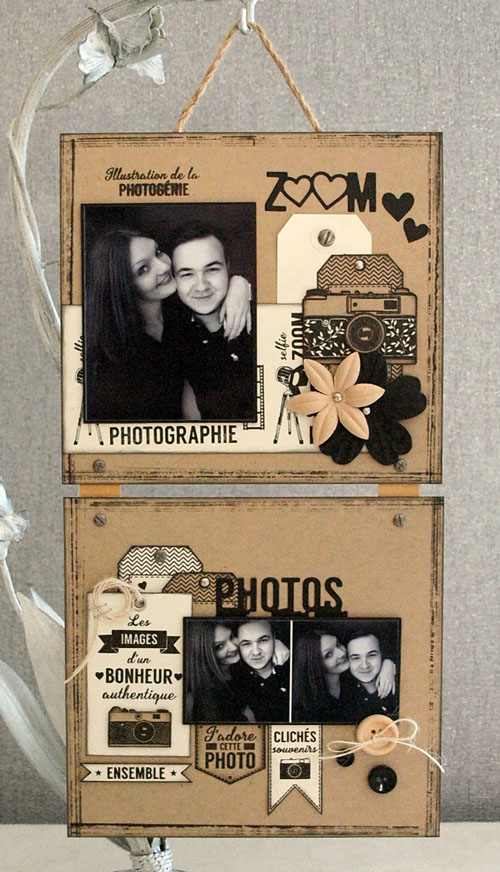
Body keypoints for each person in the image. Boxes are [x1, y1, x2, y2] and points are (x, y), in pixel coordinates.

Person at [84, 228, 251, 422]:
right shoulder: (118, 363)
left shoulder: (178, 308)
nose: (163, 266)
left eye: (157, 252)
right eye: (143, 269)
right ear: (123, 285)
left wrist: (239, 283)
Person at [170, 222, 255, 420]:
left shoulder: (262, 322)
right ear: (173, 278)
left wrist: (243, 283)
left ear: (228, 267)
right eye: (187, 274)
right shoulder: (177, 336)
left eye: (212, 269)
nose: (201, 286)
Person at [292, 626, 396, 723]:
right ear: (315, 664)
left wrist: (389, 663)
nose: (341, 653)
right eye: (329, 654)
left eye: (338, 645)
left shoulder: (352, 679)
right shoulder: (310, 707)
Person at [185, 621, 255, 723]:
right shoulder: (210, 697)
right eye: (219, 646)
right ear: (204, 653)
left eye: (232, 636)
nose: (233, 647)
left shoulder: (238, 667)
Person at [233, 619, 290, 723]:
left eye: (263, 640)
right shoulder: (235, 681)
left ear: (274, 638)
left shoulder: (292, 669)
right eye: (246, 644)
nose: (256, 652)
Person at [345, 628, 398, 720]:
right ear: (347, 660)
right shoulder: (345, 699)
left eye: (371, 655)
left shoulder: (403, 683)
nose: (365, 665)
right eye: (356, 658)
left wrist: (390, 663)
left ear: (382, 654)